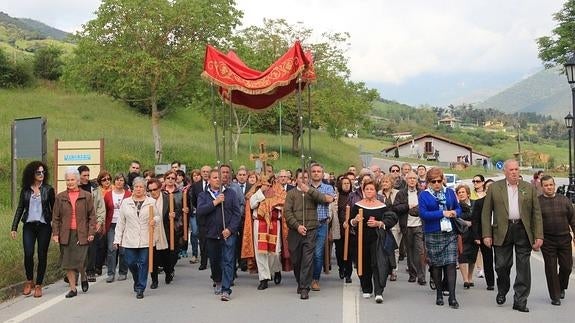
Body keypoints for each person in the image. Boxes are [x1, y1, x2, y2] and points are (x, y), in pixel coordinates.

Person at [482, 159, 543, 313]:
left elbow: (536, 213)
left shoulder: (528, 188)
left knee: (523, 268)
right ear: (505, 172)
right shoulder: (495, 188)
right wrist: (487, 234)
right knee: (501, 265)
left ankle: (520, 300)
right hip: (502, 230)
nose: (515, 172)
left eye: (516, 169)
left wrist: (539, 235)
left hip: (523, 230)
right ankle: (503, 289)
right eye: (511, 170)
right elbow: (486, 213)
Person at [419, 167, 462, 309]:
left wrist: (454, 213)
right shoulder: (424, 195)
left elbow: (458, 208)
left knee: (450, 264)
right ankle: (438, 293)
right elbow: (424, 214)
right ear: (429, 182)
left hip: (449, 232)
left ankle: (452, 297)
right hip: (433, 232)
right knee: (436, 265)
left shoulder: (449, 192)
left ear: (443, 180)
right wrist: (442, 213)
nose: (437, 184)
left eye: (439, 181)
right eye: (433, 181)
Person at [11, 161, 55, 298]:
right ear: (32, 174)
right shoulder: (26, 190)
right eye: (38, 172)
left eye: (43, 172)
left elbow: (54, 210)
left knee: (42, 254)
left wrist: (56, 228)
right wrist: (14, 227)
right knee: (28, 253)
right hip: (29, 226)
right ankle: (29, 280)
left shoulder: (48, 189)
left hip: (44, 226)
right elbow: (20, 208)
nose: (41, 174)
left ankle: (39, 285)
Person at [350, 179, 398, 303]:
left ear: (376, 191)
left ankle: (379, 291)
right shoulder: (358, 205)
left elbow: (391, 218)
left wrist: (379, 223)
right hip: (361, 239)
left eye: (372, 189)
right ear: (363, 190)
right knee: (364, 263)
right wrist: (355, 220)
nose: (369, 191)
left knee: (378, 264)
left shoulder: (382, 206)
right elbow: (350, 222)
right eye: (367, 189)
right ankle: (366, 288)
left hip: (377, 239)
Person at [51, 168, 96, 298]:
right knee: (68, 261)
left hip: (82, 232)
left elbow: (92, 216)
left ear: (77, 180)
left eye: (72, 179)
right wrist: (55, 233)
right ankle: (73, 289)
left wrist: (91, 231)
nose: (70, 182)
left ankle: (83, 275)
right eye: (68, 180)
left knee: (80, 259)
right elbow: (56, 218)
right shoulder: (60, 197)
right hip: (66, 233)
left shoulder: (86, 196)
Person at [197, 169, 241, 301]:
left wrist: (230, 229)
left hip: (227, 234)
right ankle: (218, 280)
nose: (217, 180)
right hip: (211, 234)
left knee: (228, 261)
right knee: (215, 261)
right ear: (209, 180)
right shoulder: (203, 195)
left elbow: (236, 214)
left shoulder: (231, 194)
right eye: (215, 177)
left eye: (219, 177)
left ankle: (226, 289)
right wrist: (215, 202)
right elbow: (200, 211)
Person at [284, 170, 329, 300]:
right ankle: (300, 281)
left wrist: (309, 190)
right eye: (300, 177)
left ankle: (305, 287)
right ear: (296, 179)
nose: (303, 180)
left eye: (305, 177)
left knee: (308, 260)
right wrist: (297, 226)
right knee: (296, 259)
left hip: (311, 230)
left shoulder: (312, 192)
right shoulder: (291, 194)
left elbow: (323, 199)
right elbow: (287, 212)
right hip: (295, 231)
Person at [113, 177, 159, 299]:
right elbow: (121, 222)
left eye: (141, 187)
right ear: (133, 188)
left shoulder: (151, 202)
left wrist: (154, 220)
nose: (139, 189)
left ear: (145, 189)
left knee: (144, 263)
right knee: (131, 262)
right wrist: (117, 239)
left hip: (145, 238)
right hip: (130, 238)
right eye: (136, 187)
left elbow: (157, 217)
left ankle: (140, 287)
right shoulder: (126, 202)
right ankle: (136, 278)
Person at [537, 175, 575, 306]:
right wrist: (536, 238)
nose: (549, 187)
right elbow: (535, 222)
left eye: (551, 185)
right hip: (547, 241)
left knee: (567, 266)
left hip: (564, 239)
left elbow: (573, 219)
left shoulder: (564, 200)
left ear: (554, 185)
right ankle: (555, 296)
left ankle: (561, 286)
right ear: (542, 187)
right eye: (546, 185)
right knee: (551, 268)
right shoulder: (538, 202)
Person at [246, 175, 283, 290]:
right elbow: (252, 204)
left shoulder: (279, 190)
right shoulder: (256, 190)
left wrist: (272, 203)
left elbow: (283, 203)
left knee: (275, 252)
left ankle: (275, 270)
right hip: (260, 223)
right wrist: (261, 191)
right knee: (261, 251)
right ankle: (264, 278)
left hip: (274, 223)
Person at [309, 163, 336, 291]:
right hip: (307, 225)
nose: (316, 173)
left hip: (321, 224)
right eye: (313, 171)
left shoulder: (328, 187)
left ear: (322, 173)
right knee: (306, 253)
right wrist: (320, 197)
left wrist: (313, 195)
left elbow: (329, 199)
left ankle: (315, 279)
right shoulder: (304, 187)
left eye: (318, 171)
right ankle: (305, 277)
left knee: (318, 254)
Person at [104, 173, 131, 283]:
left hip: (125, 225)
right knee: (111, 248)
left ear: (124, 182)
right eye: (117, 180)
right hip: (112, 224)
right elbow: (104, 210)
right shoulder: (108, 195)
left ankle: (123, 272)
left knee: (123, 250)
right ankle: (110, 273)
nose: (119, 182)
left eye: (121, 180)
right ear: (114, 182)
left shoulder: (129, 194)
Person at [470, 179, 495, 291]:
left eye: (492, 187)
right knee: (488, 259)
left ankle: (502, 279)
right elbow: (475, 220)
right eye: (488, 187)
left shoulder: (502, 202)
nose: (490, 189)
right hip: (484, 234)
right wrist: (476, 236)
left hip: (500, 234)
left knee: (501, 261)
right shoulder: (480, 202)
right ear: (485, 189)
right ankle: (490, 283)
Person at [403, 171, 426, 285]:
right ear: (406, 180)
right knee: (410, 251)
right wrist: (407, 207)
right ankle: (412, 274)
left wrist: (417, 209)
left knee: (420, 251)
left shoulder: (422, 193)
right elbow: (396, 207)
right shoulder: (402, 193)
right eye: (410, 178)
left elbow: (426, 207)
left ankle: (421, 276)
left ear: (417, 180)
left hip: (419, 225)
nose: (412, 180)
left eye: (414, 178)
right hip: (407, 226)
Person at [146, 178, 169, 289]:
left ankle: (169, 272)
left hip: (165, 232)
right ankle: (154, 280)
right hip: (151, 233)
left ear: (160, 188)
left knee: (166, 258)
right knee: (153, 258)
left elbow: (176, 212)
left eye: (155, 189)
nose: (153, 192)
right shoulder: (146, 201)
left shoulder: (167, 199)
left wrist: (174, 215)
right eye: (150, 190)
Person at [189, 165, 212, 270]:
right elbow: (194, 200)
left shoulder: (215, 184)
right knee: (202, 240)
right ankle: (203, 262)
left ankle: (213, 260)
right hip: (201, 216)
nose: (206, 173)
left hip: (213, 216)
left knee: (212, 239)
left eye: (208, 171)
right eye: (204, 171)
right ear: (201, 173)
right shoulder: (196, 185)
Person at [334, 176, 354, 283]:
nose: (346, 185)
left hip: (350, 227)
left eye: (348, 183)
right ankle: (341, 267)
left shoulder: (353, 196)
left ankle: (348, 273)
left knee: (349, 251)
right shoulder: (337, 196)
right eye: (344, 183)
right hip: (339, 227)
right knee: (339, 250)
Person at [455, 184, 475, 289]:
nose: (461, 194)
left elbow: (477, 216)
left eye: (463, 192)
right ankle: (465, 280)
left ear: (468, 193)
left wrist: (472, 223)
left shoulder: (474, 204)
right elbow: (456, 217)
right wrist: (464, 222)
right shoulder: (456, 206)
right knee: (462, 255)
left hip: (473, 233)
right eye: (459, 193)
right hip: (461, 233)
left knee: (472, 256)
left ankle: (470, 277)